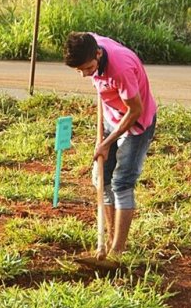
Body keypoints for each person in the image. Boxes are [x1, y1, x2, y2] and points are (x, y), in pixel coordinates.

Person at [64, 32, 157, 259]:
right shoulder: (91, 44)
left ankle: (117, 251)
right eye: (80, 71)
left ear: (98, 54)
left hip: (136, 125)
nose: (85, 75)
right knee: (101, 178)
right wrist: (105, 138)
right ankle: (106, 241)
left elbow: (135, 111)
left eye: (88, 68)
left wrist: (106, 142)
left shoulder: (120, 69)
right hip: (111, 117)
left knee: (122, 183)